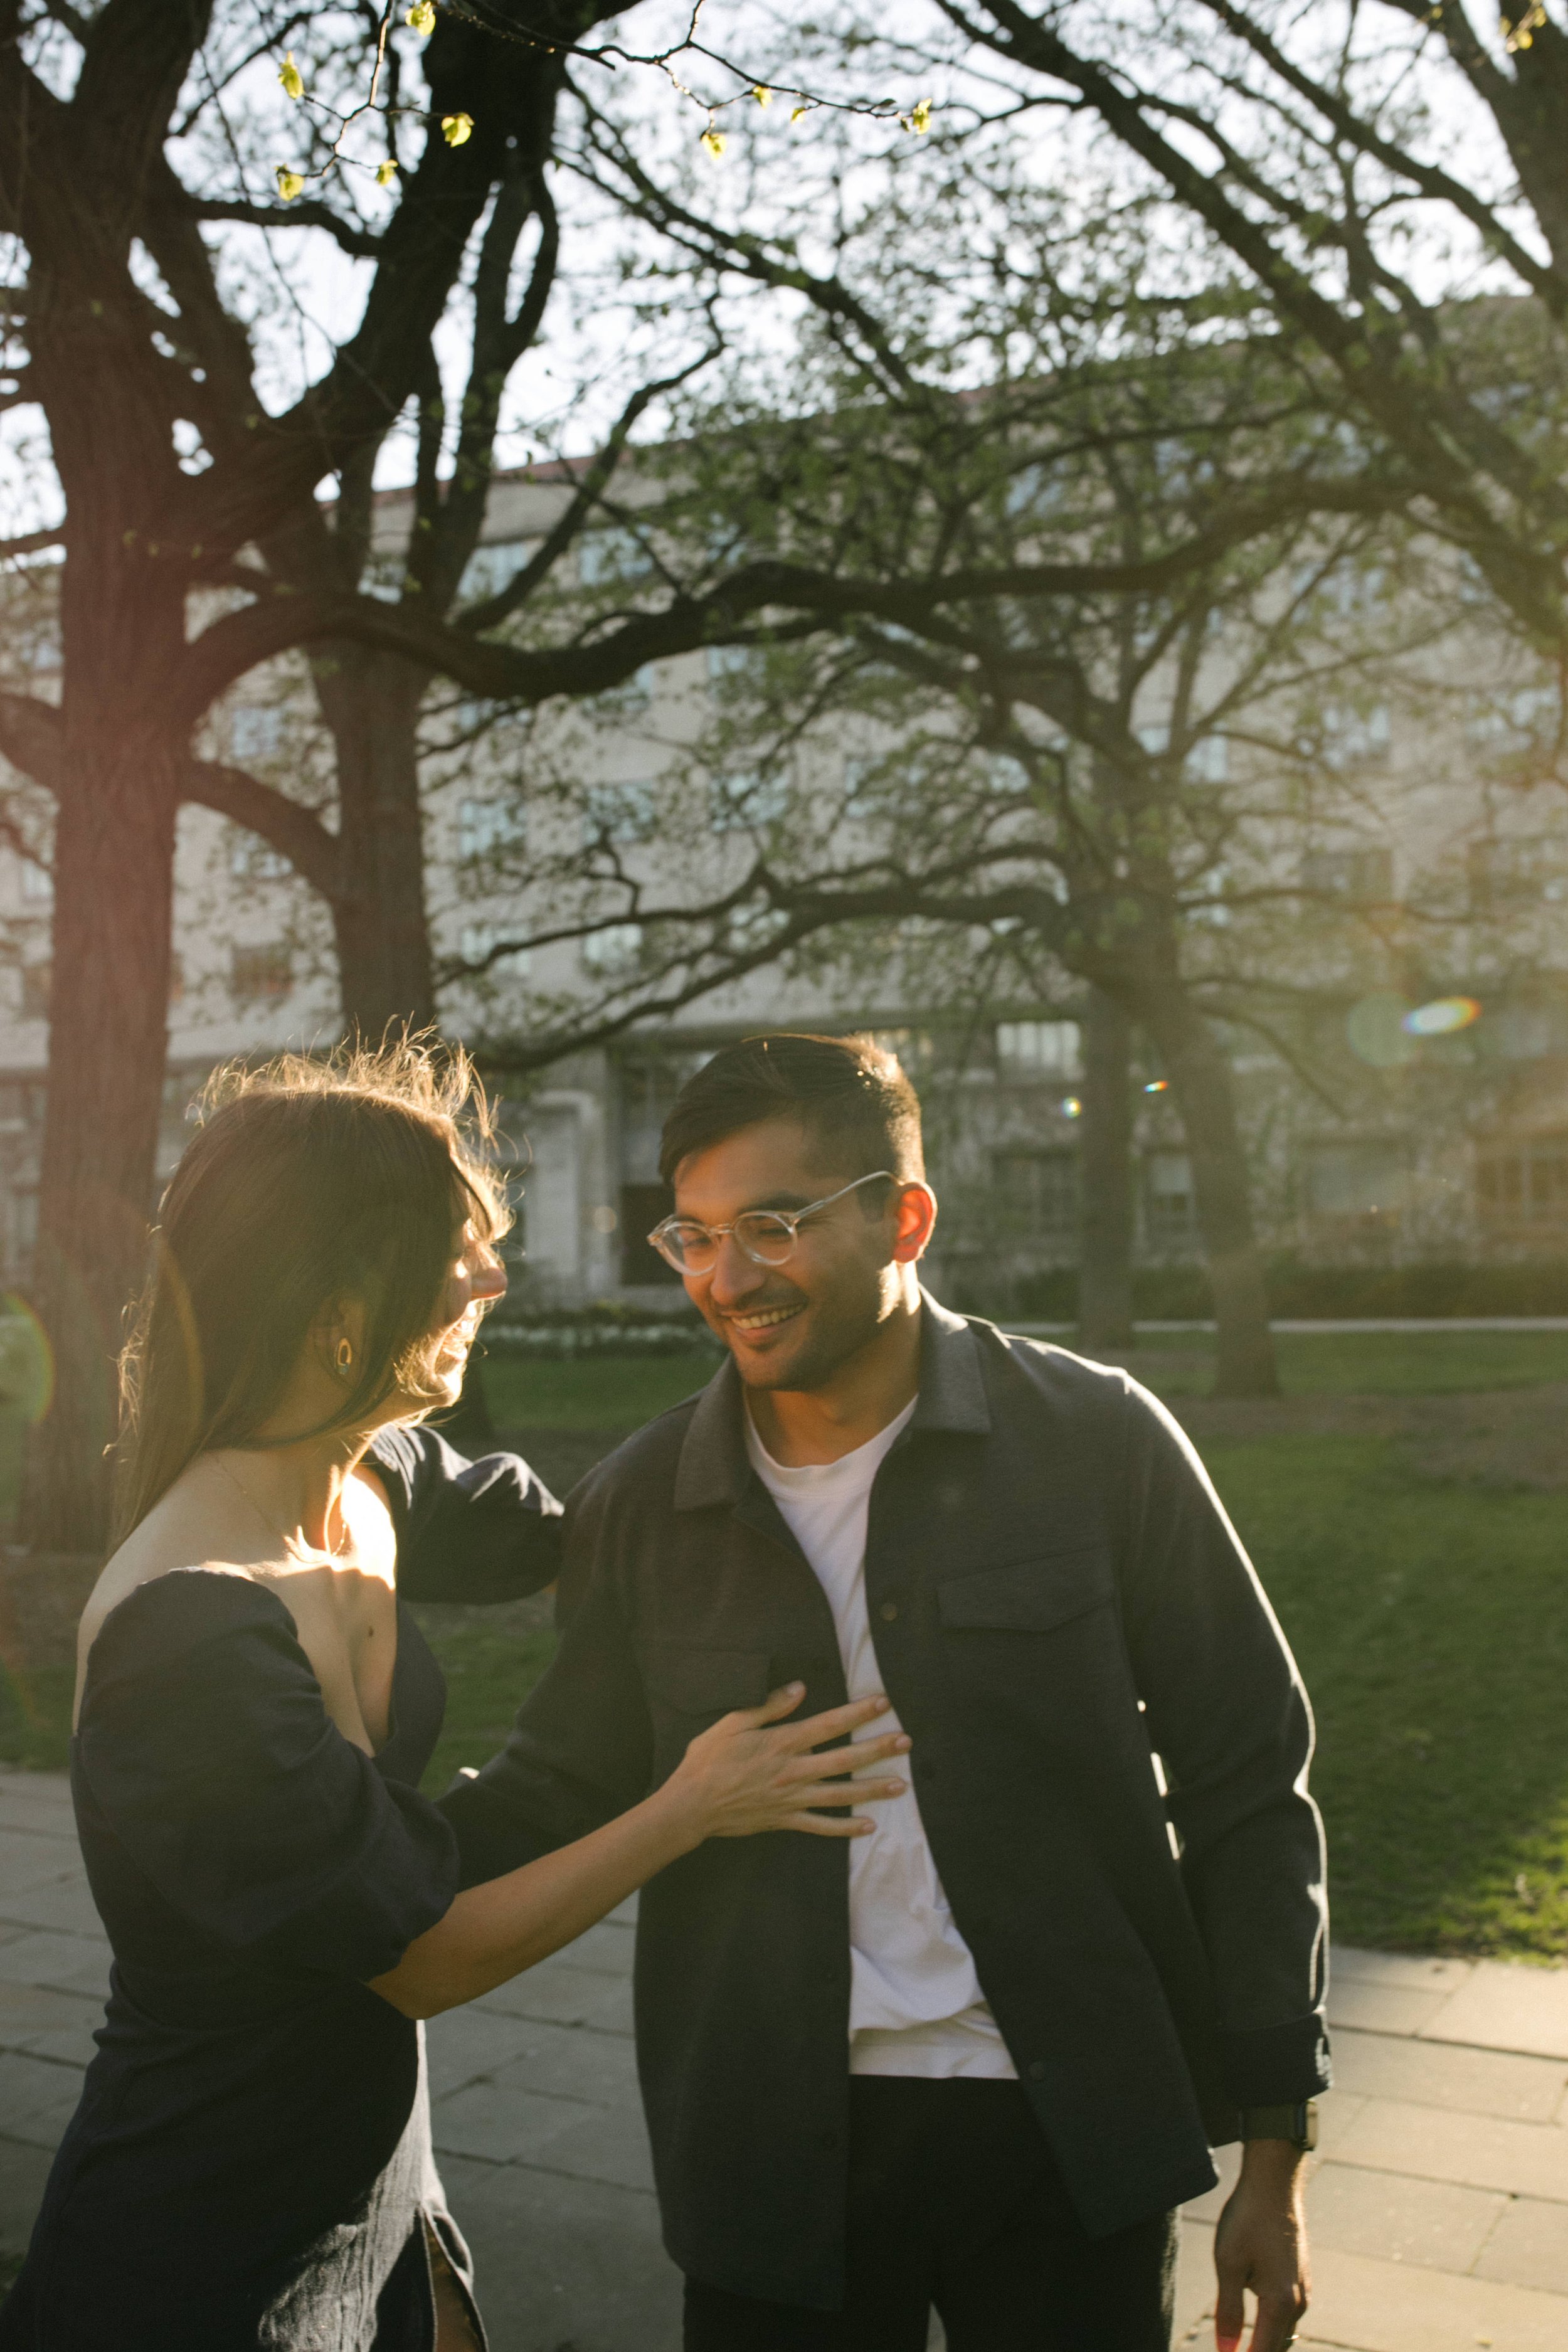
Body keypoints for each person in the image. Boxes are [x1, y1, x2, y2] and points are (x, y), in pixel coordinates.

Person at [0, 1040, 906, 2352]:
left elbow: (602, 1532)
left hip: (379, 2192)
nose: (492, 1272)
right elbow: (418, 1962)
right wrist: (693, 1804)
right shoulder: (187, 1630)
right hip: (195, 2247)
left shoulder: (373, 1483)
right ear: (336, 1307)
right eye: (457, 1245)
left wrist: (806, 1387)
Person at [443, 1031, 1329, 2352]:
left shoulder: (1098, 1442)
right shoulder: (644, 1500)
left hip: (1061, 2131)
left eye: (770, 1226)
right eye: (688, 1236)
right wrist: (356, 1866)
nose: (725, 1279)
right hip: (766, 2143)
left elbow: (1248, 1788)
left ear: (902, 1216)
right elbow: (559, 1783)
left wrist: (1275, 2156)